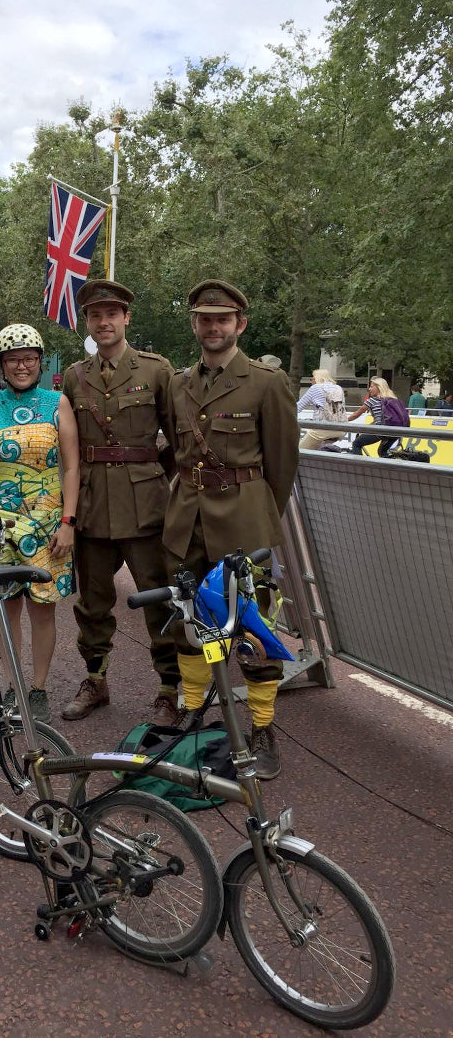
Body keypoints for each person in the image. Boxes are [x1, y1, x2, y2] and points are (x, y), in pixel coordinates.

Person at [162, 280, 299, 779]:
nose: (213, 327)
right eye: (204, 318)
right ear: (194, 324)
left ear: (240, 324)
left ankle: (262, 725)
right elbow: (177, 454)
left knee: (254, 624)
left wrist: (260, 515)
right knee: (187, 617)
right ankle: (192, 707)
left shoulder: (266, 382)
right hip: (186, 518)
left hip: (243, 518)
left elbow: (282, 466)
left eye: (223, 319)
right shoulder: (179, 383)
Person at [61, 279, 181, 724]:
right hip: (92, 507)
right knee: (91, 602)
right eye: (95, 315)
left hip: (146, 507)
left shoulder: (156, 370)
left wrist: (150, 475)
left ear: (126, 318)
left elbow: (178, 437)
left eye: (112, 314)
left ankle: (169, 688)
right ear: (87, 322)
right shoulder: (76, 376)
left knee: (159, 599)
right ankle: (96, 679)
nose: (104, 322)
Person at [0, 324, 78, 724]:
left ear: (40, 362)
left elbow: (72, 466)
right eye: (13, 359)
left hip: (47, 522)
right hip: (0, 523)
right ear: (2, 364)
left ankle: (38, 688)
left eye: (29, 358)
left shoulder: (57, 402)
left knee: (43, 609)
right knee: (7, 608)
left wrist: (68, 521)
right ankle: (12, 687)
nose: (22, 365)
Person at [348, 377, 402, 456]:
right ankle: (388, 468)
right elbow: (381, 418)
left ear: (378, 387)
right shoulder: (393, 400)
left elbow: (356, 414)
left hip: (381, 430)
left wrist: (343, 421)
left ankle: (360, 467)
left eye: (371, 386)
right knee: (382, 452)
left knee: (356, 444)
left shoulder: (372, 400)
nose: (369, 389)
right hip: (396, 431)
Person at [296, 369, 347, 450]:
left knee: (298, 452)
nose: (311, 381)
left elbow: (298, 407)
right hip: (341, 429)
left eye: (312, 378)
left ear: (317, 378)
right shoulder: (338, 388)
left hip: (322, 429)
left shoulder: (315, 388)